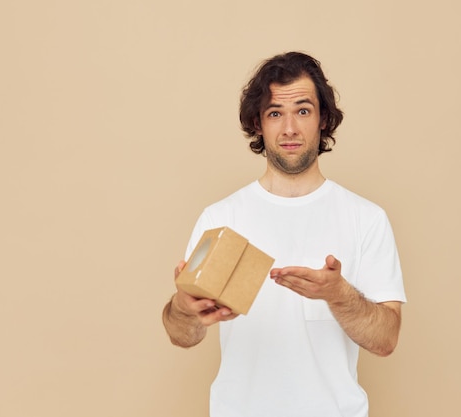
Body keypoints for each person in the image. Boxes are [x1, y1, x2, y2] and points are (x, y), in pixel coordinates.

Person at [162, 51, 406, 417]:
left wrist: (338, 295)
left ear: (323, 119)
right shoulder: (221, 217)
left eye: (303, 111)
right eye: (275, 113)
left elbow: (386, 340)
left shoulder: (366, 218)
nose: (289, 128)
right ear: (258, 124)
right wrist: (184, 309)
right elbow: (182, 335)